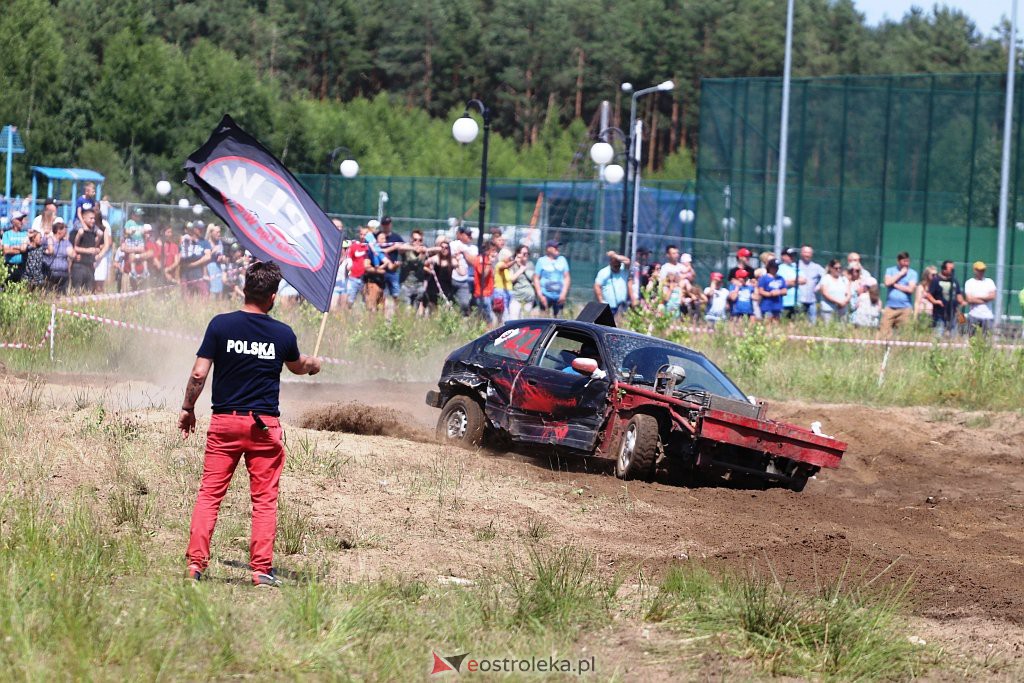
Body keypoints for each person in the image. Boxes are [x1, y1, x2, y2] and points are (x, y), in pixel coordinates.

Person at [180, 260, 321, 586]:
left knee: (209, 496)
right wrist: (314, 364)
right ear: (272, 296)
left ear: (245, 288)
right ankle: (260, 571)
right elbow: (298, 367)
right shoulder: (282, 333)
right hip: (263, 428)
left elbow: (199, 373)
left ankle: (195, 566)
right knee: (264, 501)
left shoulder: (220, 325)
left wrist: (188, 408)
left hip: (225, 423)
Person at [880, 251, 918, 336]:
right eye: (904, 261)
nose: (906, 264)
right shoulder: (890, 270)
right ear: (898, 261)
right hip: (890, 307)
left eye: (908, 261)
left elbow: (910, 289)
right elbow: (887, 282)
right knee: (884, 332)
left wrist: (895, 285)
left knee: (905, 334)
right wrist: (900, 274)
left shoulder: (912, 273)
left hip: (905, 308)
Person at [926, 260, 963, 337]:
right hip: (940, 313)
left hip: (953, 312)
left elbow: (958, 294)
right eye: (950, 268)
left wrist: (961, 301)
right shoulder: (936, 280)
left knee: (954, 334)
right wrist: (935, 301)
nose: (952, 270)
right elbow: (929, 294)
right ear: (944, 269)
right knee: (938, 334)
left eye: (953, 268)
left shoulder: (954, 281)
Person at [533, 240, 570, 317]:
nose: (557, 248)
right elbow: (536, 278)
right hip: (545, 295)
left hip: (559, 296)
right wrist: (540, 295)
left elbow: (567, 277)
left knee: (559, 320)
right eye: (555, 247)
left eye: (558, 246)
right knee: (543, 319)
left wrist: (564, 293)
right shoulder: (541, 261)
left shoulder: (562, 260)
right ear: (548, 249)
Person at [424, 236, 459, 311]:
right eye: (442, 247)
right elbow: (424, 263)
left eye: (446, 248)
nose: (444, 250)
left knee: (444, 309)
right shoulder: (435, 258)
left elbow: (461, 271)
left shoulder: (452, 261)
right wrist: (428, 270)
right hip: (434, 289)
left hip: (446, 289)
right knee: (433, 310)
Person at [449, 225, 478, 315]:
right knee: (447, 301)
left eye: (470, 234)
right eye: (467, 234)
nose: (470, 236)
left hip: (464, 280)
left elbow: (473, 262)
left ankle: (463, 319)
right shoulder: (452, 244)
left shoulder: (473, 248)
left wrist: (464, 252)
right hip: (451, 278)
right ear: (460, 234)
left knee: (465, 303)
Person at [71, 209, 103, 291]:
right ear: (84, 218)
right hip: (79, 266)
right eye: (91, 218)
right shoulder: (76, 232)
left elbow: (95, 247)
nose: (93, 221)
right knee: (77, 291)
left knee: (89, 292)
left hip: (90, 266)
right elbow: (74, 247)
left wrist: (96, 250)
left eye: (94, 219)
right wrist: (88, 250)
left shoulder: (94, 232)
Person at [593, 251, 633, 316]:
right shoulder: (604, 272)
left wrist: (615, 255)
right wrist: (601, 301)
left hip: (622, 306)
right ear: (610, 263)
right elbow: (597, 286)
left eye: (618, 265)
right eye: (615, 265)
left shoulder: (624, 270)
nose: (617, 267)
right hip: (609, 307)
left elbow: (627, 261)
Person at [179, 222, 212, 298]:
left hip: (199, 274)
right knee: (186, 298)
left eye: (203, 229)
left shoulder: (204, 242)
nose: (202, 230)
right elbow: (182, 256)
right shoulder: (186, 240)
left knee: (204, 296)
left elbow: (208, 257)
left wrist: (194, 264)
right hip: (186, 274)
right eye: (199, 229)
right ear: (194, 229)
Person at [963, 261, 996, 335]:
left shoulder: (989, 282)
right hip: (974, 315)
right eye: (979, 270)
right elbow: (969, 299)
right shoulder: (969, 282)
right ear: (975, 270)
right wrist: (985, 300)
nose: (982, 272)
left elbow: (992, 296)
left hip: (988, 316)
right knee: (972, 338)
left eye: (983, 270)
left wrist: (976, 297)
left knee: (986, 338)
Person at [342, 225, 372, 309]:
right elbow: (349, 257)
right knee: (349, 300)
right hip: (353, 277)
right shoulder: (354, 246)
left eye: (365, 234)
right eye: (361, 234)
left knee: (366, 301)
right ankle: (346, 316)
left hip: (366, 279)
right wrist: (349, 265)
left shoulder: (371, 247)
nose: (363, 236)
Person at [505, 245, 536, 320]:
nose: (526, 255)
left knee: (525, 322)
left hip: (529, 299)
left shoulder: (530, 265)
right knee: (513, 320)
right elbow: (511, 279)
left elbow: (533, 279)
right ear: (518, 254)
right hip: (516, 298)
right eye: (524, 253)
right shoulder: (513, 266)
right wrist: (520, 269)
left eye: (527, 253)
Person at [44, 217, 74, 291]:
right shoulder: (48, 240)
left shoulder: (66, 242)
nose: (66, 232)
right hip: (51, 273)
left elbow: (72, 253)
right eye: (65, 230)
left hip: (63, 274)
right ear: (58, 230)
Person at [818, 258, 852, 323]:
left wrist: (844, 302)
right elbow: (825, 293)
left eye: (840, 268)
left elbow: (848, 293)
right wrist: (838, 302)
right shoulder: (825, 278)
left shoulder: (844, 279)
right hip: (828, 310)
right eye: (836, 268)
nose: (838, 270)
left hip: (842, 310)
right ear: (831, 268)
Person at [796, 245, 824, 322]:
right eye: (805, 252)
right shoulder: (796, 265)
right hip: (799, 299)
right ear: (801, 253)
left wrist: (819, 286)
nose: (807, 254)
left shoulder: (816, 267)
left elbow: (825, 276)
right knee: (798, 321)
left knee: (812, 323)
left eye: (809, 252)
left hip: (811, 300)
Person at [2, 210, 29, 283]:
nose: (21, 221)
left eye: (21, 219)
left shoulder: (25, 234)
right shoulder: (7, 234)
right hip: (9, 266)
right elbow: (6, 251)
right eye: (19, 219)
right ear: (13, 221)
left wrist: (13, 248)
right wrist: (21, 249)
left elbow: (26, 249)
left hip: (22, 266)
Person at [778, 247, 800, 318]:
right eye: (789, 256)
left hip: (796, 302)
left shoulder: (796, 267)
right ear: (783, 256)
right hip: (784, 302)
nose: (792, 257)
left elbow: (803, 280)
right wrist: (795, 281)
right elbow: (782, 283)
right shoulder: (779, 268)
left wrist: (790, 282)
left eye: (792, 256)